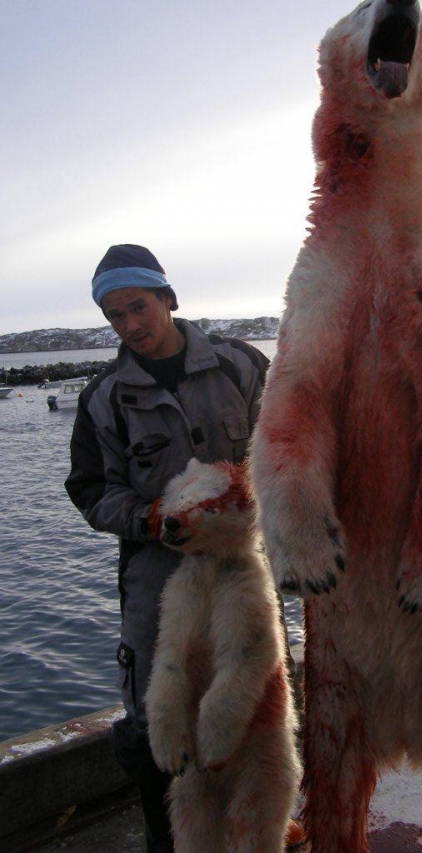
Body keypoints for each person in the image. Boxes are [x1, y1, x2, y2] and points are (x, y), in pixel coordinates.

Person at [64, 245, 300, 852]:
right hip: (155, 578)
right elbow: (91, 491)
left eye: (138, 306)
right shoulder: (103, 399)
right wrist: (149, 517)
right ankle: (170, 839)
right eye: (114, 316)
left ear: (167, 298)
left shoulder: (241, 366)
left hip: (243, 564)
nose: (129, 326)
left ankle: (266, 823)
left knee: (260, 693)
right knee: (158, 718)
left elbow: (281, 452)